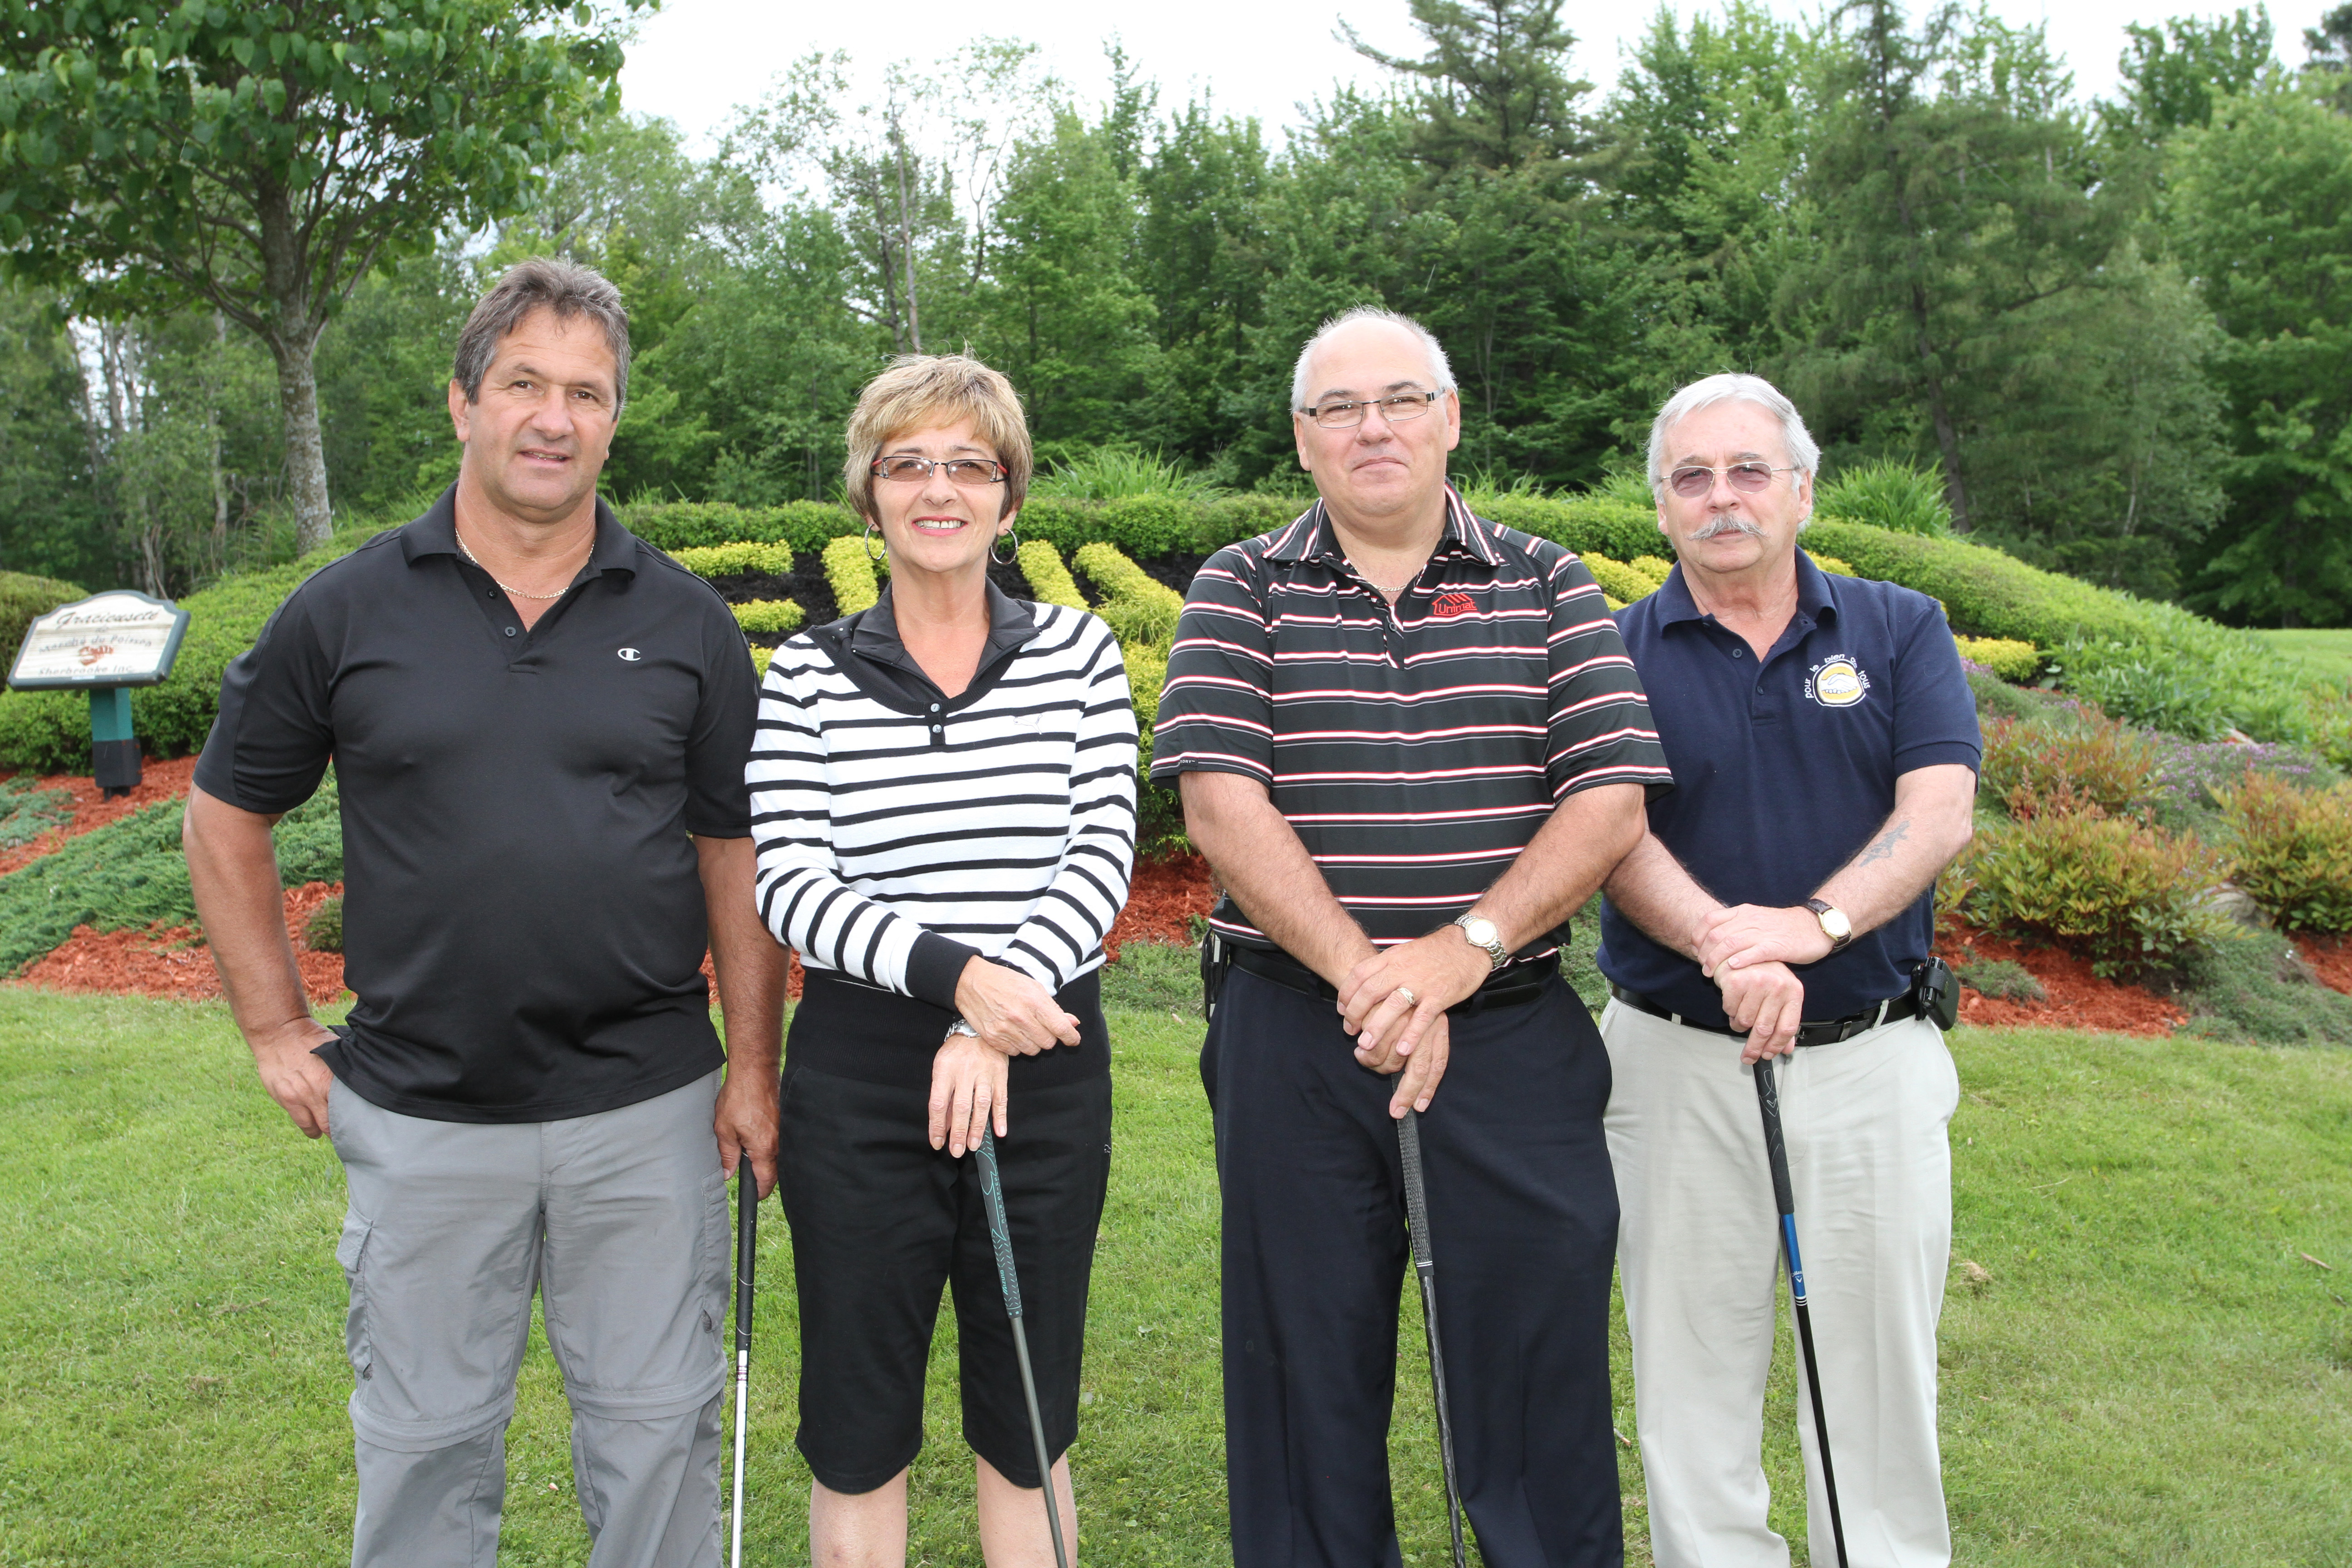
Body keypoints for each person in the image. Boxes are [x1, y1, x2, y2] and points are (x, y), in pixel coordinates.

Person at [182, 257, 784, 1568]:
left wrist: (753, 1071)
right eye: (523, 383)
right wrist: (278, 1030)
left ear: (615, 419)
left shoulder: (688, 623)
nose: (553, 417)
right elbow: (226, 817)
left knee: (656, 1442)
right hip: (419, 1119)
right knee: (424, 1452)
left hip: (646, 1113)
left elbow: (736, 854)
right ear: (463, 403)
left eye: (587, 392)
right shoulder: (344, 610)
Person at [1152, 305, 1673, 1565]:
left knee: (1538, 1376)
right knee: (1303, 1376)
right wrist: (1372, 979)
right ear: (1301, 439)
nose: (1371, 427)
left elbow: (1608, 796)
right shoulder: (1240, 584)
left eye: (1399, 399)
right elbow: (1221, 800)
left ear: (1451, 418)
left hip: (1508, 1034)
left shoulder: (1550, 581)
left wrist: (1461, 952)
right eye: (1339, 408)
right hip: (1297, 1032)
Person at [747, 353, 1137, 1565]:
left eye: (970, 465)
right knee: (861, 1419)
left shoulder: (1080, 655)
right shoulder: (811, 673)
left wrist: (989, 1021)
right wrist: (958, 986)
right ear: (869, 496)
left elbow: (1101, 858)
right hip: (862, 1075)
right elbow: (792, 885)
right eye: (906, 464)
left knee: (1028, 1412)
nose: (939, 489)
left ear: (1008, 498)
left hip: (1042, 1063)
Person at [1596, 373, 1980, 1568]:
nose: (1723, 499)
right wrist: (1726, 941)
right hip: (1675, 1067)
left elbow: (1939, 811)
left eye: (1748, 471)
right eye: (1692, 479)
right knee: (1690, 1375)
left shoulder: (1899, 628)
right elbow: (1606, 835)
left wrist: (1809, 927)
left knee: (1875, 1378)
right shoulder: (1613, 652)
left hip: (1873, 1061)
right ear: (1660, 508)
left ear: (1801, 490)